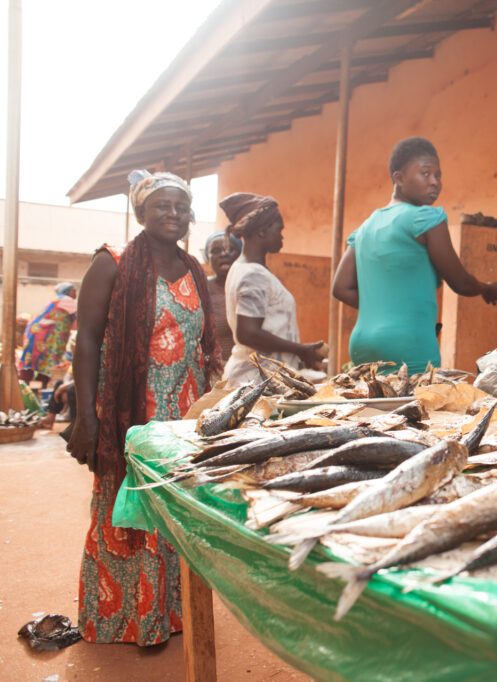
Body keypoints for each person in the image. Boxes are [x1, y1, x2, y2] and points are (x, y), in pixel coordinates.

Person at [68, 169, 221, 645]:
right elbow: (88, 341)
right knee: (126, 512)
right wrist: (86, 417)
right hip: (130, 413)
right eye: (161, 205)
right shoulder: (111, 263)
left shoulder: (194, 269)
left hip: (184, 415)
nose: (173, 214)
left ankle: (171, 614)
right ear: (140, 212)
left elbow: (203, 342)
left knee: (176, 510)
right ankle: (119, 618)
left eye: (180, 207)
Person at [333, 137, 497, 373]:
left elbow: (340, 287)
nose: (434, 182)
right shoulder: (426, 218)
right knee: (418, 407)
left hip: (362, 344)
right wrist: (486, 288)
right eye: (425, 173)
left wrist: (384, 306)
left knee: (373, 410)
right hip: (408, 344)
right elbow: (461, 283)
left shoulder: (364, 228)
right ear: (399, 178)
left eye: (438, 175)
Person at [220, 192, 325, 386]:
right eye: (279, 229)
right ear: (262, 231)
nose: (282, 235)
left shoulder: (244, 269)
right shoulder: (253, 275)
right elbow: (248, 333)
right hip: (256, 381)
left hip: (261, 378)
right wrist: (300, 350)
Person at [19, 282, 78, 388]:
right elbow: (80, 318)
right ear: (68, 291)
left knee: (38, 362)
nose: (76, 293)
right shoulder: (66, 300)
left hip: (39, 333)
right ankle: (27, 391)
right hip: (43, 335)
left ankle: (31, 391)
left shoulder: (58, 300)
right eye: (74, 291)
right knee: (42, 361)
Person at [202, 230, 242, 364]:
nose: (224, 254)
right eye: (216, 250)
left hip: (245, 370)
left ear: (241, 254)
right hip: (210, 370)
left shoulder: (250, 288)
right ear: (207, 257)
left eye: (231, 249)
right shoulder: (199, 288)